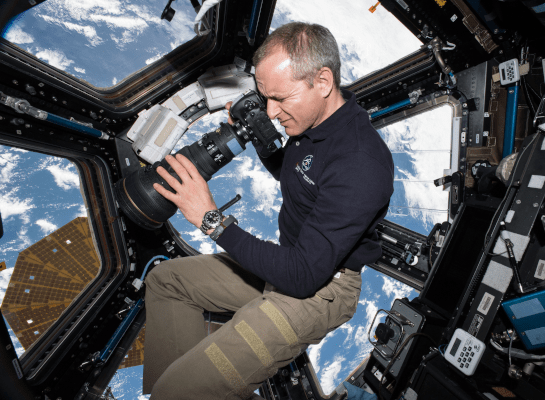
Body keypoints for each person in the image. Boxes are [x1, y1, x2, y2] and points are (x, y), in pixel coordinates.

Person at [142, 22, 394, 399]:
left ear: (322, 81)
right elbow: (296, 175)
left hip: (317, 291)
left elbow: (303, 276)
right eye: (265, 99)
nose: (272, 112)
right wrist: (262, 139)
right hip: (286, 266)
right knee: (167, 282)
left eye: (280, 99)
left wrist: (212, 220)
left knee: (178, 394)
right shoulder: (313, 121)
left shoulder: (361, 163)